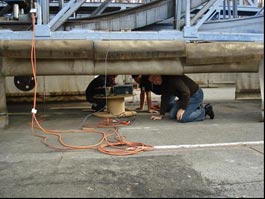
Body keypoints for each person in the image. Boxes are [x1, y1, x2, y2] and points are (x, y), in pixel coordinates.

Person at [148, 75, 214, 122]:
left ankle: (204, 111)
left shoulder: (172, 78)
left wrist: (183, 108)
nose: (155, 82)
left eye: (154, 78)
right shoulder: (163, 83)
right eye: (152, 81)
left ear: (158, 74)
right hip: (184, 98)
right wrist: (161, 115)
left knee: (183, 118)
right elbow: (164, 98)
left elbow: (186, 92)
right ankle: (195, 107)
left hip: (195, 95)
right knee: (172, 115)